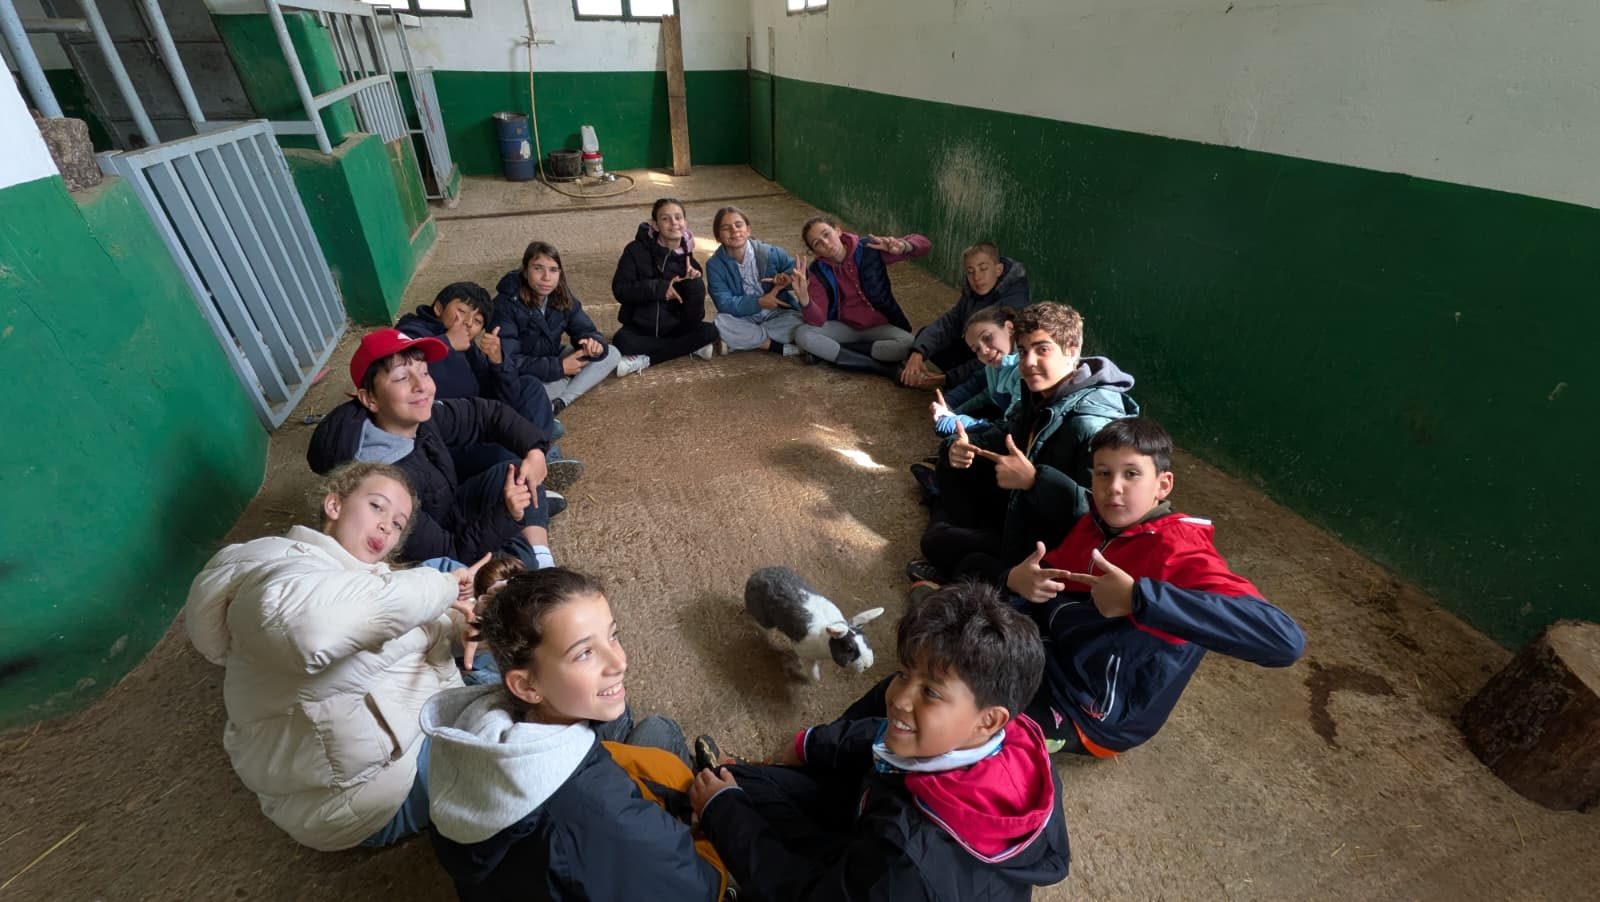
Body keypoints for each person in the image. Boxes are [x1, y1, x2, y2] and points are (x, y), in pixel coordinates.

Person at [688, 581, 1070, 901]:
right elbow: (877, 731)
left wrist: (725, 815)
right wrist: (811, 744)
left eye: (931, 692)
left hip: (881, 873)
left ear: (989, 720)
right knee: (737, 786)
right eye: (904, 673)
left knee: (721, 803)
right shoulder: (1011, 737)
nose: (900, 698)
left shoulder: (907, 866)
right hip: (876, 821)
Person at [183, 461, 490, 850]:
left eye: (398, 524)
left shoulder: (338, 570)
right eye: (377, 506)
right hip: (360, 803)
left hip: (354, 746)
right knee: (523, 699)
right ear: (334, 505)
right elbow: (308, 627)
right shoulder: (280, 577)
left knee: (449, 580)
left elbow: (396, 628)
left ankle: (489, 633)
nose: (387, 526)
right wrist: (443, 589)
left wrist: (457, 620)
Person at [1003, 417, 1306, 755]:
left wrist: (1139, 598)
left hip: (1093, 714)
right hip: (1055, 656)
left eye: (1131, 474)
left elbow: (1284, 641)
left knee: (980, 724)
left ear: (1163, 485)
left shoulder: (1179, 550)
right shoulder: (1097, 523)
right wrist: (1018, 580)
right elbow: (1051, 575)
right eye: (1103, 473)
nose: (1114, 487)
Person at [424, 568, 725, 901]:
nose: (619, 662)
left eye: (612, 635)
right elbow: (700, 889)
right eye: (584, 653)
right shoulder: (605, 817)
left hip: (531, 860)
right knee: (662, 731)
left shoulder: (469, 730)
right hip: (607, 840)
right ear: (526, 685)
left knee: (636, 722)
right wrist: (715, 823)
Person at [910, 302, 1138, 586]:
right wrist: (957, 447)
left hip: (1051, 542)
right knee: (952, 468)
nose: (1028, 362)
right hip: (1024, 508)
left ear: (1072, 351)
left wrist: (1035, 481)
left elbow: (1104, 515)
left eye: (1042, 349)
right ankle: (957, 525)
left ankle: (953, 530)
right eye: (1023, 351)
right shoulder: (1038, 394)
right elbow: (1002, 435)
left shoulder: (1093, 424)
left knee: (949, 550)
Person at [307, 329, 560, 572]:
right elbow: (449, 551)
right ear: (369, 399)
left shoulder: (415, 417)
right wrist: (507, 514)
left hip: (450, 505)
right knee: (515, 556)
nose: (422, 386)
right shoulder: (382, 481)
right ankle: (532, 540)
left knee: (516, 470)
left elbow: (484, 414)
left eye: (424, 372)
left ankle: (544, 561)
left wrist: (534, 449)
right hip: (437, 551)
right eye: (402, 378)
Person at [398, 282, 580, 485]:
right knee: (503, 451)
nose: (468, 322)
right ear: (439, 308)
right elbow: (406, 371)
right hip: (447, 439)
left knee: (530, 386)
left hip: (479, 421)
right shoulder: (409, 334)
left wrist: (498, 362)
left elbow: (504, 395)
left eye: (477, 321)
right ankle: (534, 465)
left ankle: (537, 453)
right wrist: (446, 343)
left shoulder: (469, 349)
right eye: (461, 311)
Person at [492, 241, 624, 415]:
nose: (546, 277)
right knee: (525, 397)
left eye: (553, 270)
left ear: (559, 273)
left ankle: (560, 402)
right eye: (538, 268)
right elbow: (510, 362)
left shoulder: (560, 295)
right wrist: (560, 368)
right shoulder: (505, 304)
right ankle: (566, 381)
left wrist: (593, 343)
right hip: (524, 373)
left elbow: (585, 329)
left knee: (611, 353)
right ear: (525, 271)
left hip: (552, 357)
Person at [911, 305, 1023, 502]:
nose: (985, 351)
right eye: (976, 349)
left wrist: (959, 421)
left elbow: (1010, 426)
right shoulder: (994, 365)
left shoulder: (1024, 366)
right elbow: (988, 395)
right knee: (951, 429)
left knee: (953, 437)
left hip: (1016, 437)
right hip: (1007, 424)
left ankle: (941, 485)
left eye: (987, 337)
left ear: (1009, 327)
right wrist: (952, 411)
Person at [792, 215, 929, 374]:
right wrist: (805, 301)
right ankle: (882, 368)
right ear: (814, 251)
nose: (826, 244)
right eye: (817, 243)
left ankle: (836, 351)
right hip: (844, 328)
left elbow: (925, 244)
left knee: (909, 343)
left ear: (838, 230)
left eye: (827, 234)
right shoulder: (817, 271)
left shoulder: (869, 248)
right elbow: (818, 320)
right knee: (803, 333)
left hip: (880, 326)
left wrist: (904, 246)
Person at [610, 197, 720, 370]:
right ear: (655, 225)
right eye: (665, 218)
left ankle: (645, 360)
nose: (674, 222)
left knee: (710, 331)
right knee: (621, 342)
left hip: (675, 328)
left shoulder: (689, 261)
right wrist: (661, 289)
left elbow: (695, 317)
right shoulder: (635, 250)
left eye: (678, 217)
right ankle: (688, 347)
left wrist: (695, 286)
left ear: (685, 223)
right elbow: (620, 289)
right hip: (640, 328)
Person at [901, 242, 1030, 389]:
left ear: (998, 269)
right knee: (926, 336)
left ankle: (961, 383)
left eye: (983, 269)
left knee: (985, 368)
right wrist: (918, 353)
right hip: (976, 350)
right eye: (970, 271)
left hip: (993, 361)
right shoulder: (972, 292)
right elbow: (950, 322)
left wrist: (946, 379)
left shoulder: (1012, 303)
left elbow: (994, 357)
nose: (977, 277)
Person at [706, 205, 805, 356]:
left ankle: (740, 340)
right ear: (718, 237)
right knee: (721, 322)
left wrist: (787, 278)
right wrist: (758, 302)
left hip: (776, 312)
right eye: (726, 228)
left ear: (748, 230)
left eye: (739, 225)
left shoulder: (770, 253)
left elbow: (799, 274)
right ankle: (776, 346)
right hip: (743, 316)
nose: (734, 231)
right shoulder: (714, 265)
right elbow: (724, 303)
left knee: (800, 319)